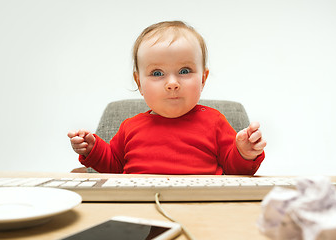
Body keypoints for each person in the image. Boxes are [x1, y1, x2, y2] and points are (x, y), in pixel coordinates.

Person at [68, 21, 266, 175]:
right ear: (139, 83)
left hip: (200, 205)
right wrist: (92, 149)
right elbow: (113, 166)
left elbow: (235, 170)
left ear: (203, 79)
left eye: (184, 70)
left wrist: (245, 152)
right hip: (140, 205)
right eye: (157, 73)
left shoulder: (215, 123)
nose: (172, 83)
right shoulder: (130, 127)